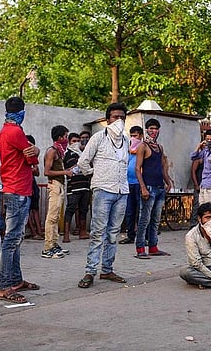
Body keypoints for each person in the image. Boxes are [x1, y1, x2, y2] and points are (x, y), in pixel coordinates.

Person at [77, 103, 129, 288]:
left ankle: (107, 269)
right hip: (102, 190)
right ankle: (90, 271)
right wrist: (95, 175)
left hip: (122, 191)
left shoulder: (126, 140)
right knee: (98, 232)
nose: (119, 120)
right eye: (115, 117)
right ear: (108, 120)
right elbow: (83, 162)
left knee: (113, 233)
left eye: (122, 117)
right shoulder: (98, 138)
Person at [0, 96, 41, 304]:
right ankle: (5, 286)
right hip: (17, 189)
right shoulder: (15, 132)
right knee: (12, 239)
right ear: (21, 112)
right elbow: (31, 158)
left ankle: (15, 280)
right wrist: (36, 151)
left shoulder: (5, 132)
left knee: (15, 238)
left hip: (14, 187)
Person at [135, 118, 173, 259]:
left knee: (156, 219)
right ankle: (140, 248)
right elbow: (137, 169)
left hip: (159, 187)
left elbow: (162, 167)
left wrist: (168, 182)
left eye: (156, 128)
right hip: (149, 187)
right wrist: (143, 188)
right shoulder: (143, 146)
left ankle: (153, 246)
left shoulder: (159, 147)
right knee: (144, 219)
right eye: (151, 128)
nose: (153, 131)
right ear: (146, 130)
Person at [42, 125, 71, 257]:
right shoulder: (52, 151)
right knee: (52, 217)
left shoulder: (59, 151)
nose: (67, 139)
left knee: (56, 217)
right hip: (55, 185)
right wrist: (65, 172)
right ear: (60, 137)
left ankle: (54, 243)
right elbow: (47, 172)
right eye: (65, 136)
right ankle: (48, 247)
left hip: (59, 185)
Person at [63, 132, 91, 241]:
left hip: (85, 185)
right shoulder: (68, 154)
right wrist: (82, 163)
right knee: (70, 209)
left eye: (77, 141)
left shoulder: (83, 153)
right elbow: (72, 169)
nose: (76, 143)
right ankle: (66, 235)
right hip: (73, 187)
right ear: (69, 142)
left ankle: (83, 232)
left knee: (84, 209)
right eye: (73, 141)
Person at [119, 126, 143, 244]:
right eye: (132, 136)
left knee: (141, 211)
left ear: (141, 136)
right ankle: (130, 235)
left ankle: (142, 236)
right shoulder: (127, 150)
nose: (133, 138)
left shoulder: (143, 148)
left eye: (136, 136)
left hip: (139, 183)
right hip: (128, 183)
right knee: (129, 211)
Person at [190, 130, 211, 205]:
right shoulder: (205, 151)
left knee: (209, 207)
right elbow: (193, 156)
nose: (209, 141)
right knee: (201, 207)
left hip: (210, 185)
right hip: (203, 184)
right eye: (207, 139)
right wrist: (199, 145)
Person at [25, 135, 43, 240]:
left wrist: (33, 169)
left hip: (32, 184)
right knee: (27, 210)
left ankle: (39, 231)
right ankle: (33, 232)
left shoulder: (33, 157)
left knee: (35, 209)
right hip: (25, 185)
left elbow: (37, 172)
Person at [190, 157, 204, 227]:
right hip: (199, 184)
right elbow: (193, 172)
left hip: (205, 185)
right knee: (196, 205)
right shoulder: (198, 159)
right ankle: (193, 224)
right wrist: (196, 184)